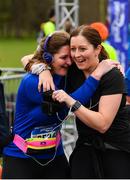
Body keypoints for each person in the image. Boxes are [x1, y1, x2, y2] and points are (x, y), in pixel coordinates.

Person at [2, 31, 117, 179]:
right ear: (48, 57)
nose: (69, 62)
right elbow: (67, 102)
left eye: (70, 57)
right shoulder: (33, 82)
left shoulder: (66, 76)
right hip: (21, 157)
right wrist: (97, 75)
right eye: (63, 57)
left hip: (55, 156)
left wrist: (109, 67)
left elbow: (29, 59)